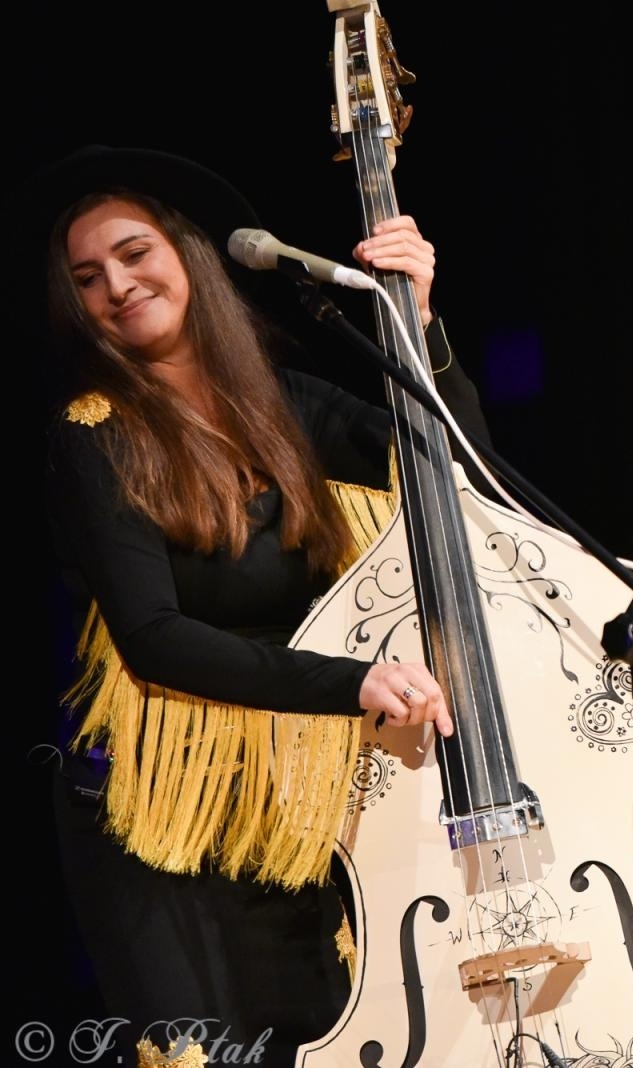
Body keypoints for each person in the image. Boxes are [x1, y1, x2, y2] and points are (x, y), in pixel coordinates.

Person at [34, 145, 488, 1067]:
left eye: (134, 253)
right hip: (167, 817)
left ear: (190, 255)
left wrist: (421, 323)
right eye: (89, 278)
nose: (117, 285)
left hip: (305, 805)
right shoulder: (98, 435)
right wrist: (356, 683)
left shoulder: (284, 405)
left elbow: (459, 481)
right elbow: (156, 643)